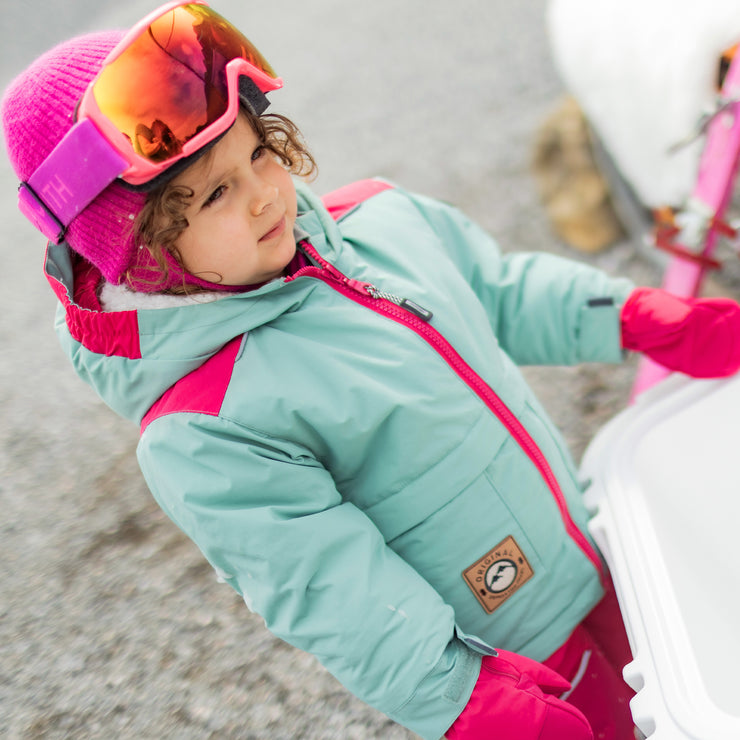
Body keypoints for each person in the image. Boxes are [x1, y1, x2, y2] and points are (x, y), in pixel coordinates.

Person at [3, 3, 740, 739]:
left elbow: (500, 290)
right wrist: (462, 699)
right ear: (142, 252)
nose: (263, 192)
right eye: (217, 194)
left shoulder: (380, 222)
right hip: (520, 653)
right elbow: (331, 589)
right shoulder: (206, 424)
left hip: (590, 547)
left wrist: (633, 317)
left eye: (258, 154)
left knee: (692, 688)